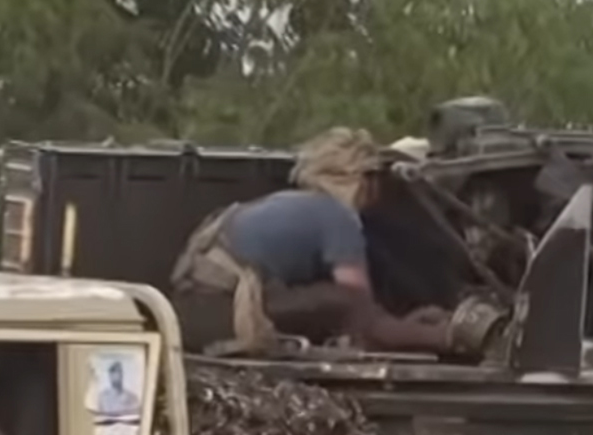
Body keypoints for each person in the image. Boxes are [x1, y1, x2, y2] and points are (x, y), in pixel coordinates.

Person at [170, 126, 451, 355]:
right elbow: (361, 312)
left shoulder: (292, 203)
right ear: (364, 180)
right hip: (221, 314)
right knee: (344, 300)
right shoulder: (337, 218)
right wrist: (439, 335)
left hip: (190, 313)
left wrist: (403, 324)